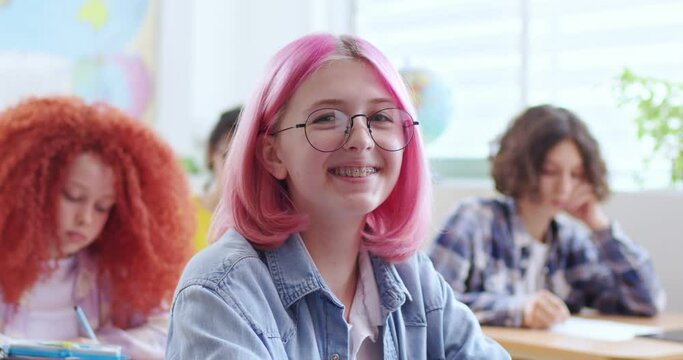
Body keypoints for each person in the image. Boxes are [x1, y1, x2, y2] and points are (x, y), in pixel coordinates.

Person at [166, 33, 509, 359]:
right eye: (327, 117)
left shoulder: (411, 276)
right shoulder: (220, 290)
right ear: (272, 155)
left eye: (380, 117)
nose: (361, 138)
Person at [429, 105, 666, 329]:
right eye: (550, 172)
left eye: (576, 174)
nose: (564, 187)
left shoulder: (570, 242)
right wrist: (519, 310)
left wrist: (600, 225)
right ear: (522, 167)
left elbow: (645, 303)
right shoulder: (474, 219)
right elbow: (430, 305)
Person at [0, 96, 195, 358]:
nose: (85, 218)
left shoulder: (113, 275)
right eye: (73, 196)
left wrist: (105, 347)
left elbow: (168, 332)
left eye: (102, 207)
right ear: (34, 186)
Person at [192, 106, 241, 251]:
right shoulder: (183, 213)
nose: (236, 169)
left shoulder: (259, 225)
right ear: (210, 153)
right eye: (228, 156)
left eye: (245, 160)